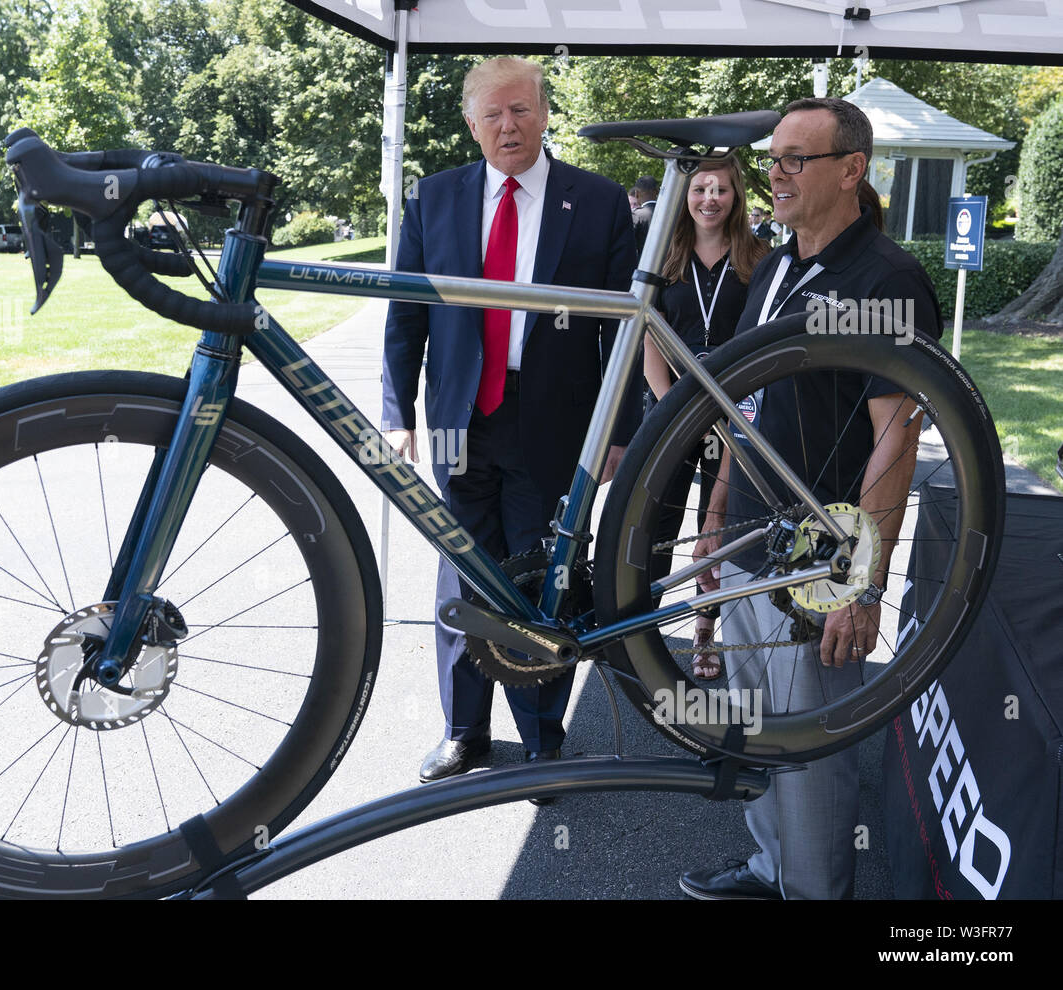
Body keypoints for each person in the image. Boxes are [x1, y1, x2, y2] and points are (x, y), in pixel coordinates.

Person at [680, 97, 940, 900]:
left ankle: (816, 893)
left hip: (819, 562)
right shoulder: (781, 264)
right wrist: (716, 518)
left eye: (797, 158)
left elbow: (897, 439)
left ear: (851, 171)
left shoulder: (887, 279)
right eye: (775, 157)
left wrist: (863, 585)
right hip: (753, 541)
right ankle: (771, 869)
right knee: (761, 735)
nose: (776, 173)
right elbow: (743, 410)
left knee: (812, 757)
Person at [381, 56, 638, 794]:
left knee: (540, 578)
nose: (508, 125)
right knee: (462, 570)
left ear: (544, 113)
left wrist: (619, 428)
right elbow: (406, 316)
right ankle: (464, 733)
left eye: (521, 110)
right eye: (492, 114)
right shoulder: (433, 199)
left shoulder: (594, 203)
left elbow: (620, 333)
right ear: (471, 125)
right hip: (460, 416)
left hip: (554, 422)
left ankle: (541, 740)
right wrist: (397, 413)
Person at [642, 156, 769, 680]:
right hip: (672, 404)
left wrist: (728, 410)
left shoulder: (758, 258)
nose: (709, 199)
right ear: (685, 196)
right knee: (654, 520)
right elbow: (647, 332)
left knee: (714, 526)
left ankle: (703, 631)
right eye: (700, 189)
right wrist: (674, 404)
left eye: (720, 189)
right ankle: (637, 626)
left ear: (736, 196)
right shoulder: (662, 255)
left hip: (736, 407)